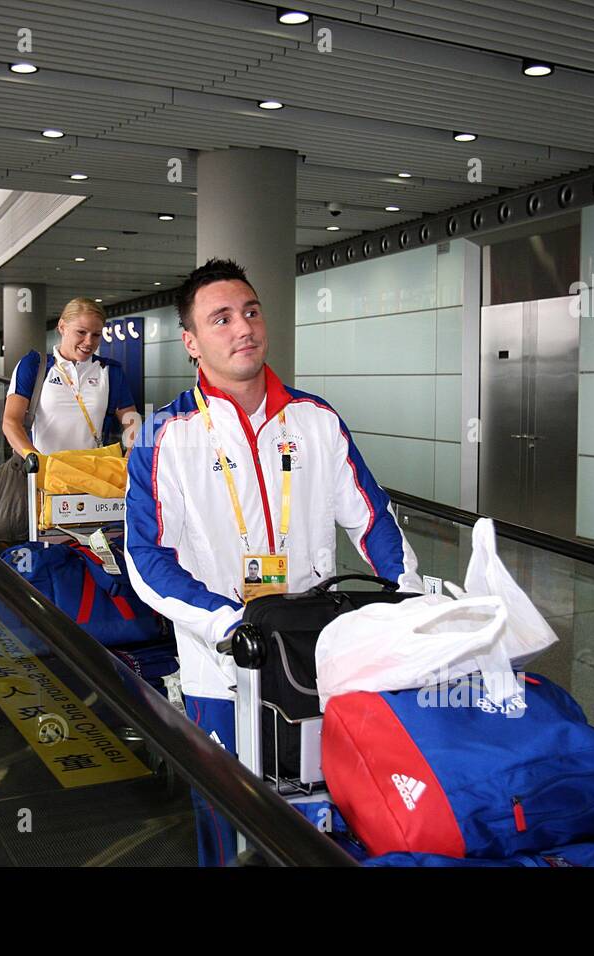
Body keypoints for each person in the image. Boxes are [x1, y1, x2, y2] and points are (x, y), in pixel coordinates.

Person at [123, 258, 421, 866]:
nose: (244, 329)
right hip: (222, 668)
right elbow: (147, 555)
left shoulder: (315, 419)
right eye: (222, 318)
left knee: (322, 820)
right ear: (191, 341)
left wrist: (408, 595)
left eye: (252, 312)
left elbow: (371, 518)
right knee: (227, 828)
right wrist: (226, 625)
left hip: (320, 660)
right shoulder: (164, 436)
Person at [1, 297, 138, 456]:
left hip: (93, 474)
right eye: (81, 332)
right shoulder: (34, 365)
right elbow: (11, 422)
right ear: (62, 327)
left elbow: (133, 422)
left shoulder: (110, 371)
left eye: (96, 335)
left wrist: (131, 457)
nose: (88, 342)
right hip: (45, 473)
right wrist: (36, 461)